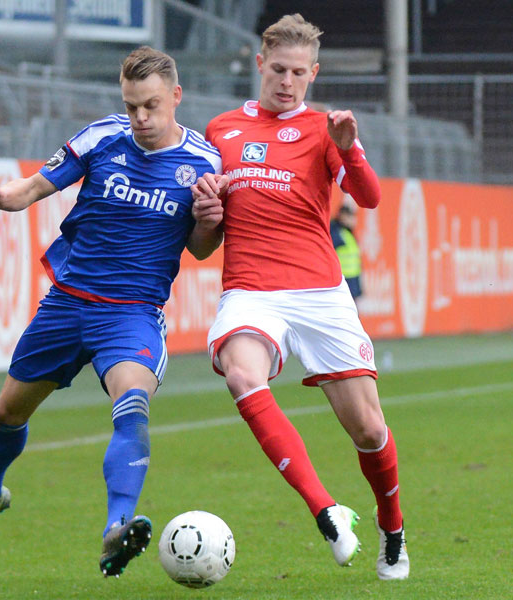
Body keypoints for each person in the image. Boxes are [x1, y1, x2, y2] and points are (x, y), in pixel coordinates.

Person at [0, 46, 223, 578]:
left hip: (133, 314)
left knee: (132, 404)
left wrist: (209, 220)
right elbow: (31, 189)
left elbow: (203, 248)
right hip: (68, 304)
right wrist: (0, 195)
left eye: (152, 105)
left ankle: (117, 527)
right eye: (132, 104)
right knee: (6, 415)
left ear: (176, 98)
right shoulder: (102, 137)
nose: (140, 117)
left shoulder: (205, 165)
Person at [193, 14, 409, 580]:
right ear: (260, 64)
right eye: (278, 69)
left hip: (319, 291)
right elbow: (202, 243)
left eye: (298, 72)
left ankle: (392, 528)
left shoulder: (322, 130)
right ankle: (326, 509)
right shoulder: (219, 131)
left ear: (313, 74)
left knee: (367, 428)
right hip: (251, 290)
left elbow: (370, 198)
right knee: (243, 375)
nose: (286, 81)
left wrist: (350, 148)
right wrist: (206, 216)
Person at [330, 202, 363, 299]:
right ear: (342, 216)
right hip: (342, 281)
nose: (353, 220)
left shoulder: (347, 233)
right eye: (350, 216)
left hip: (351, 281)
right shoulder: (336, 232)